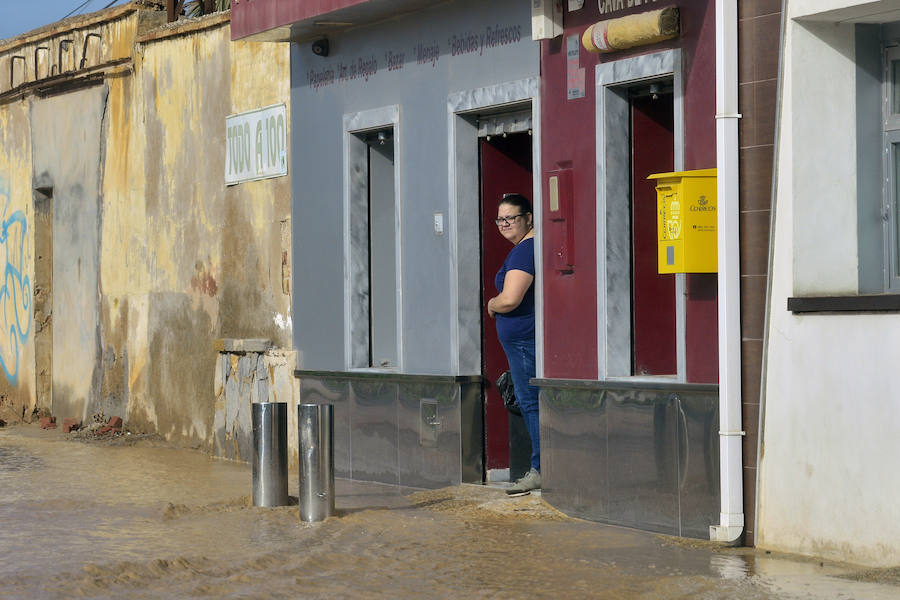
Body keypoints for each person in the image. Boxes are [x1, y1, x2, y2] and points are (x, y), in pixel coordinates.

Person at [487, 193, 540, 496]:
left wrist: (493, 304)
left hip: (523, 341)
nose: (505, 224)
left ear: (528, 218)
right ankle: (540, 467)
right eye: (500, 219)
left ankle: (539, 470)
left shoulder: (524, 252)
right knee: (530, 401)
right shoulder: (525, 249)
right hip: (521, 340)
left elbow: (511, 299)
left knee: (531, 402)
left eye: (512, 218)